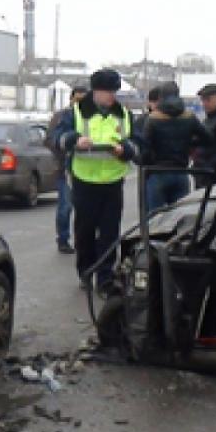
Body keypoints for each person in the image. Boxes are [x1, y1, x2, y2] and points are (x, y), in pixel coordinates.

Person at [59, 69, 138, 295]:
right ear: (95, 91)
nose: (111, 96)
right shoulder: (76, 112)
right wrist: (75, 140)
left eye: (114, 91)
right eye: (107, 91)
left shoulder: (123, 113)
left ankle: (105, 277)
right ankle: (86, 271)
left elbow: (137, 142)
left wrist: (126, 150)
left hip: (113, 181)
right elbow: (59, 137)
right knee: (84, 231)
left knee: (110, 232)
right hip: (85, 180)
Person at [139, 81, 211, 214]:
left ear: (161, 97)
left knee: (155, 220)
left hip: (157, 173)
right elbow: (207, 139)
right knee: (180, 219)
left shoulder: (153, 119)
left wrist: (144, 164)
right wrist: (189, 144)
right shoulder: (189, 117)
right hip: (181, 173)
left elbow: (146, 150)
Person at [47, 85, 87, 253]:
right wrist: (65, 146)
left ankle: (82, 240)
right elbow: (51, 140)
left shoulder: (89, 117)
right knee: (66, 207)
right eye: (77, 100)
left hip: (86, 169)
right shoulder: (61, 117)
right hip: (65, 168)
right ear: (71, 99)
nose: (80, 103)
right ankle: (63, 239)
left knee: (84, 209)